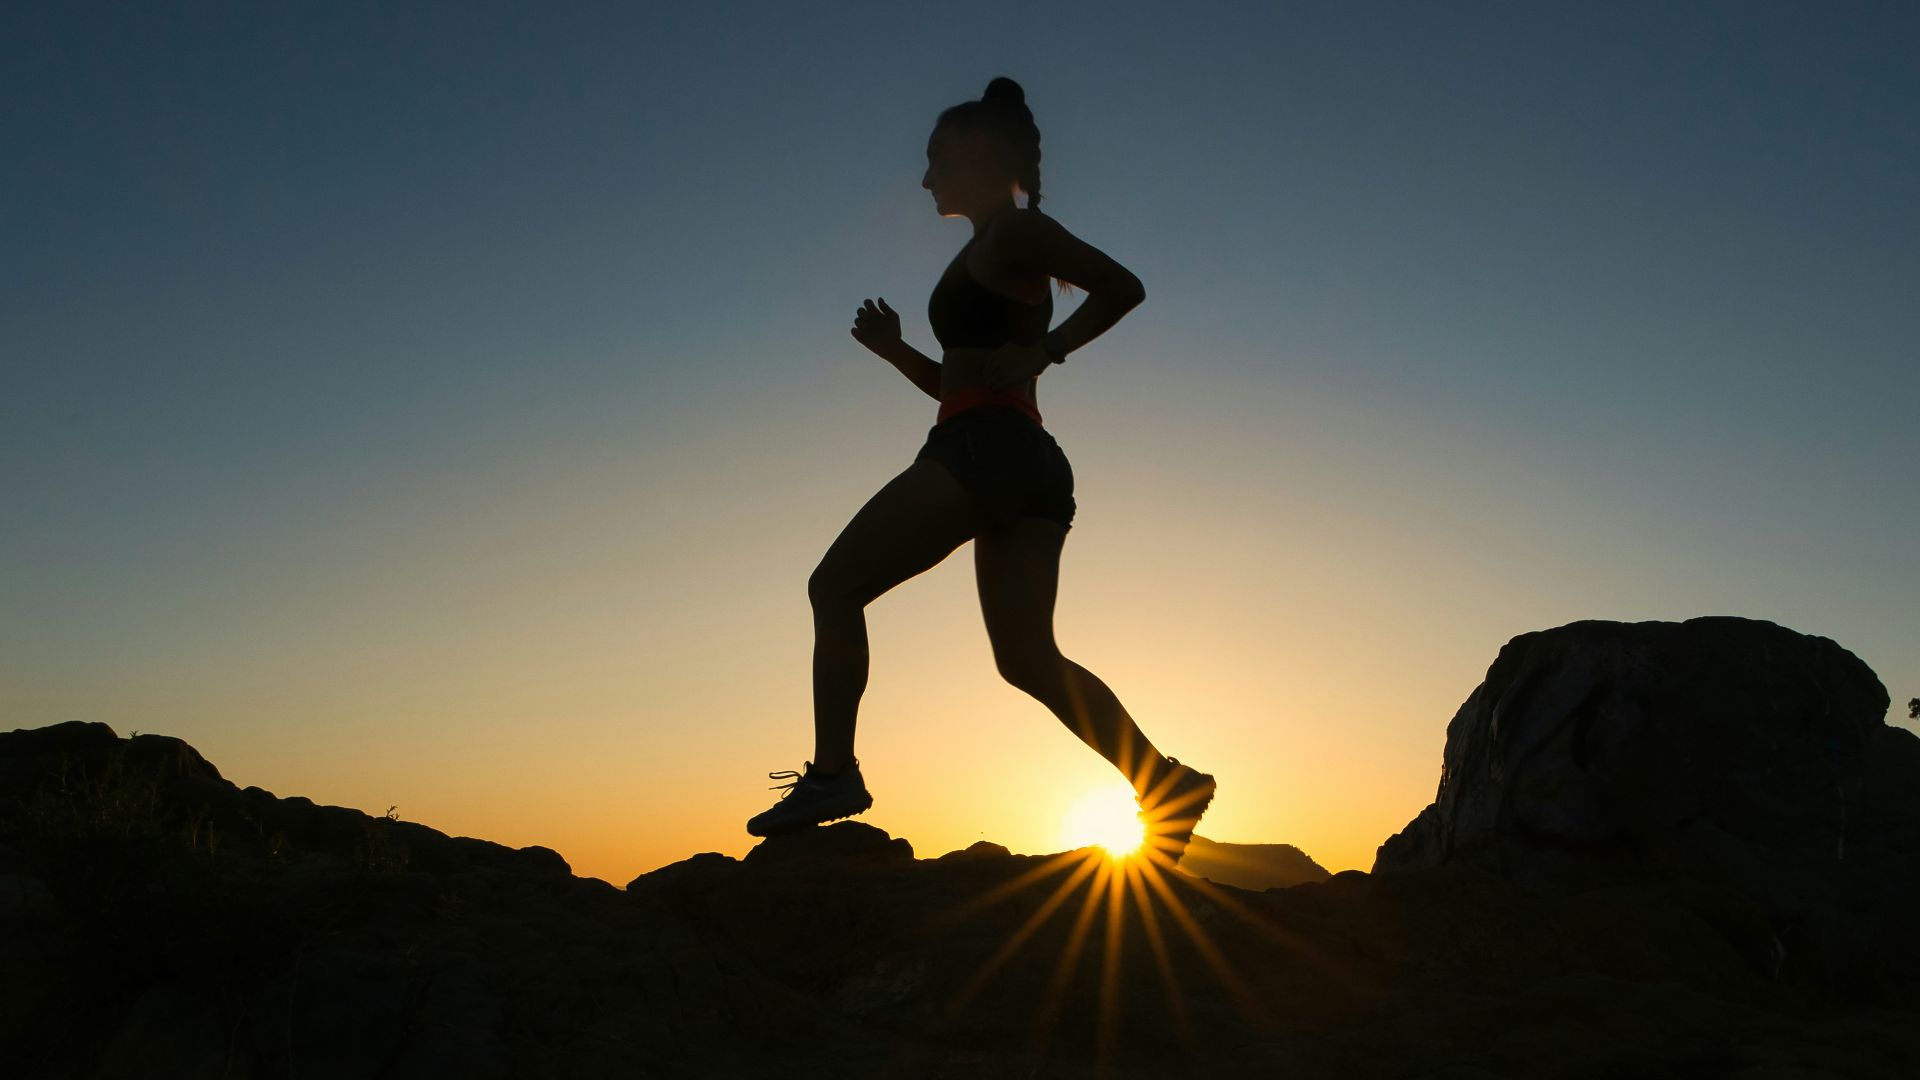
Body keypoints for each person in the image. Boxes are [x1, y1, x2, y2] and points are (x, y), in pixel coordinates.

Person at [746, 76, 1215, 863]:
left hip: (984, 451)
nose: (926, 178)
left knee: (834, 587)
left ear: (974, 155)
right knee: (1028, 659)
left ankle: (833, 775)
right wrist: (898, 352)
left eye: (935, 160)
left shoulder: (1011, 236)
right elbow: (962, 382)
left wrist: (1046, 349)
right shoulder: (990, 247)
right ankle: (1164, 782)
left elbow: (1122, 287)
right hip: (1021, 457)